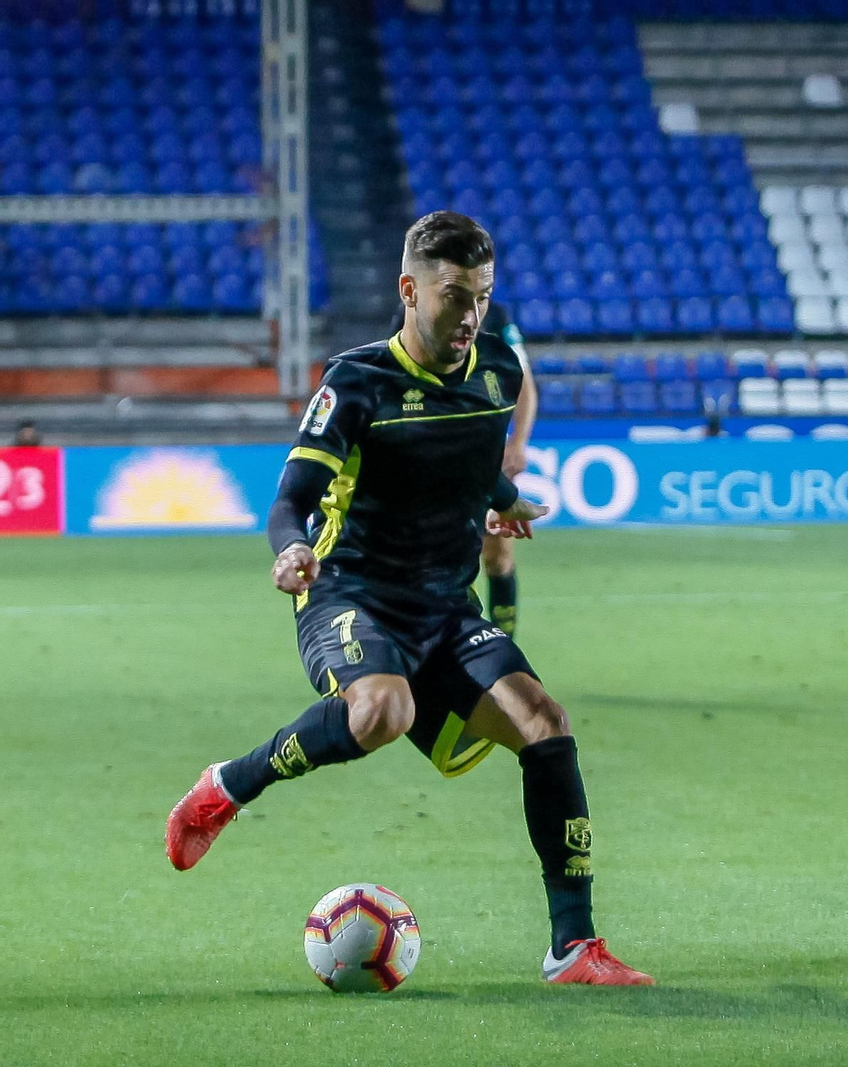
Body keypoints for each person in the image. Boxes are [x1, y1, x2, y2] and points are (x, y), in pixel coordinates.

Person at [166, 211, 651, 985]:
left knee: (546, 724)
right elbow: (291, 496)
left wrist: (505, 499)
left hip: (445, 604)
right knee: (382, 712)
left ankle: (573, 948)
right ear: (409, 289)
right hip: (350, 592)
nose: (470, 316)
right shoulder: (356, 382)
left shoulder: (499, 370)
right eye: (454, 295)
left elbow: (474, 455)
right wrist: (291, 547)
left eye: (483, 297)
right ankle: (228, 785)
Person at [388, 298, 537, 642]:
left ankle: (503, 650)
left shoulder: (498, 316)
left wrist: (518, 442)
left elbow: (524, 382)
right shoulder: (413, 310)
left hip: (484, 453)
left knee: (498, 554)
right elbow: (392, 375)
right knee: (440, 554)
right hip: (432, 453)